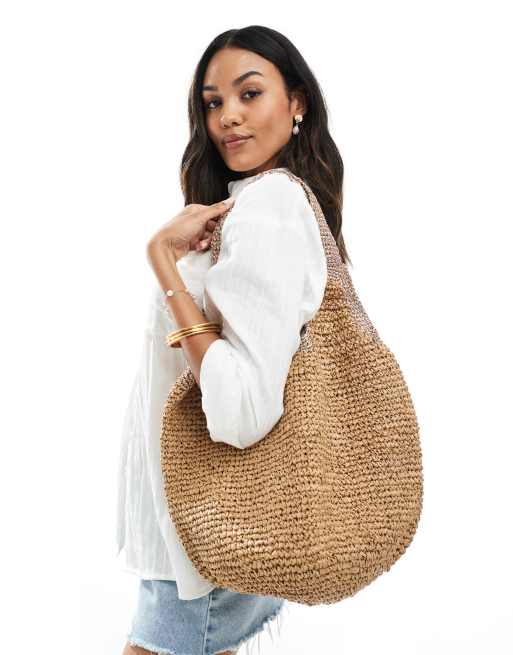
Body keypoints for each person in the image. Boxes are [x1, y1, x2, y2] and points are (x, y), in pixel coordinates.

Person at [118, 24, 349, 655]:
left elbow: (243, 409)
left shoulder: (270, 205)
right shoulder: (252, 206)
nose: (228, 117)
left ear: (297, 102)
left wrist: (162, 262)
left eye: (250, 94)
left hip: (205, 535)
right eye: (213, 102)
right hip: (216, 527)